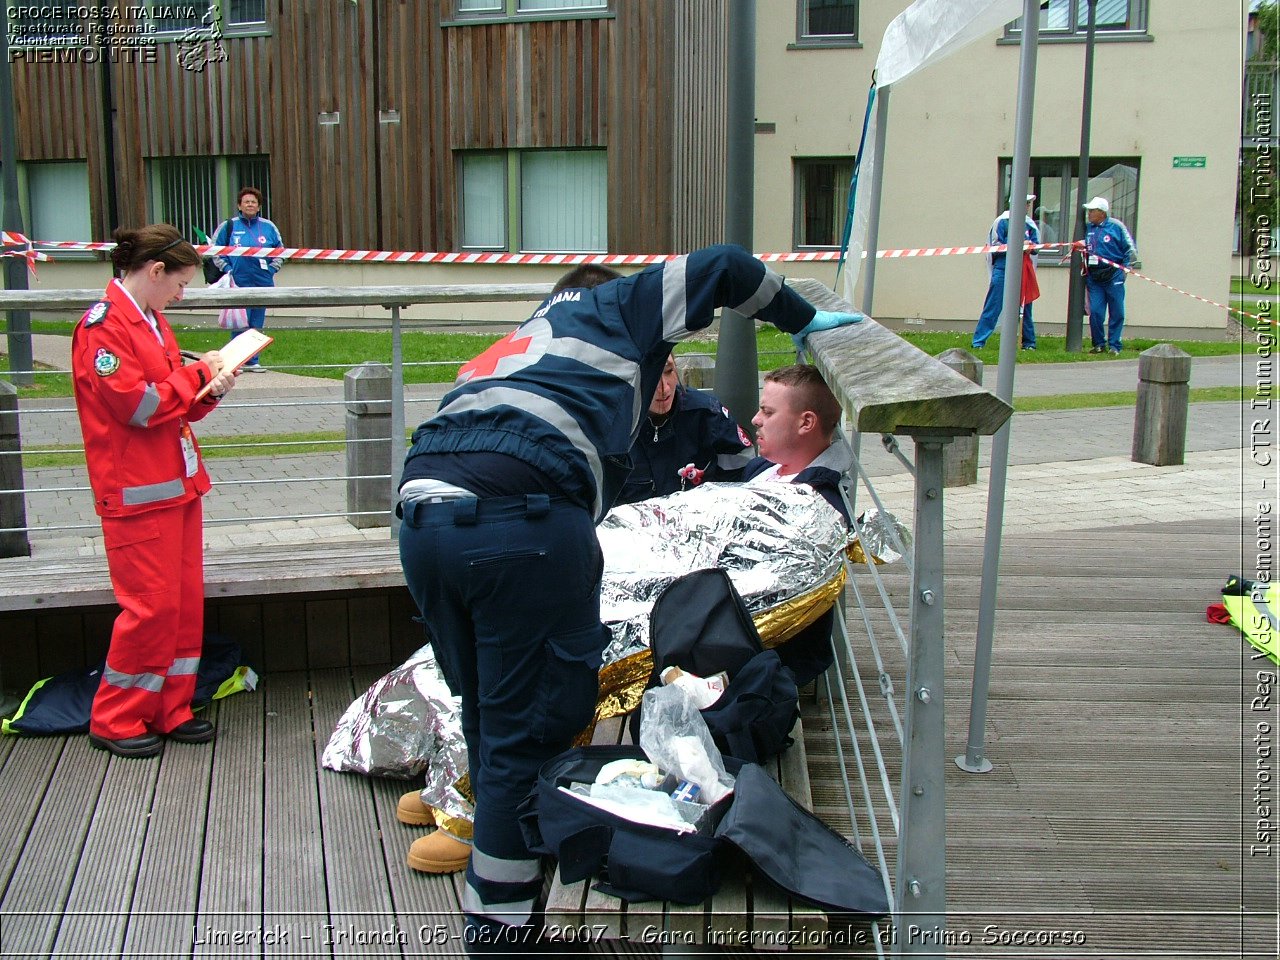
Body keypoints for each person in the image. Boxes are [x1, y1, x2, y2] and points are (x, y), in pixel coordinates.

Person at [395, 244, 861, 952]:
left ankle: (504, 900)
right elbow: (728, 265)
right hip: (521, 519)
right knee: (536, 727)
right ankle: (501, 935)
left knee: (489, 713)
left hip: (422, 518)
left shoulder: (515, 345)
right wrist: (805, 320)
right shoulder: (616, 304)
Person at [71, 224, 237, 759]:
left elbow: (169, 403)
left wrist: (208, 389)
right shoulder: (103, 328)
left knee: (183, 607)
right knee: (150, 609)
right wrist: (196, 376)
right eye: (180, 284)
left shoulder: (150, 321)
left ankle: (171, 706)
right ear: (155, 271)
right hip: (138, 493)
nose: (182, 295)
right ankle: (117, 717)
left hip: (175, 486)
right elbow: (137, 406)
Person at [741, 364, 851, 685]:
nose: (755, 419)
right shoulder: (762, 469)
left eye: (767, 411)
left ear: (806, 422)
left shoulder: (819, 504)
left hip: (772, 654)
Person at [615, 352, 752, 505]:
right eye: (650, 376)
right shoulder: (610, 423)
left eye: (668, 371)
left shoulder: (708, 414)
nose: (664, 388)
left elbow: (744, 473)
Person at [210, 186, 283, 370]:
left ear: (259, 206)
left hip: (263, 282)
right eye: (246, 202)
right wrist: (228, 269)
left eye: (253, 202)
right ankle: (236, 362)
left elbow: (281, 251)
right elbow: (215, 250)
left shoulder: (268, 227)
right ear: (239, 206)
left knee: (256, 323)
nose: (250, 205)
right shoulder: (229, 226)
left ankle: (253, 360)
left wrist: (272, 269)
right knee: (240, 322)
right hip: (238, 282)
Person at [972, 194, 1039, 351]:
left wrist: (1030, 246)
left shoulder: (1030, 224)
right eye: (1026, 203)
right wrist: (1016, 244)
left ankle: (1028, 342)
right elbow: (995, 246)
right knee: (993, 304)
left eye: (1029, 204)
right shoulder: (1002, 221)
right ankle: (979, 341)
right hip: (1004, 267)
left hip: (1023, 267)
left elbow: (1036, 247)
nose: (1028, 206)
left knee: (1025, 305)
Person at [1082, 196, 1138, 355]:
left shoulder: (1116, 226)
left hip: (1114, 275)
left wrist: (1125, 270)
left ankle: (1115, 345)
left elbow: (1130, 250)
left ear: (1102, 212)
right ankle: (1099, 343)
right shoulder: (1088, 228)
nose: (1089, 214)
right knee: (1096, 311)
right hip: (1094, 277)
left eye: (1092, 211)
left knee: (1117, 311)